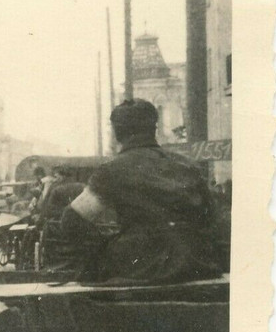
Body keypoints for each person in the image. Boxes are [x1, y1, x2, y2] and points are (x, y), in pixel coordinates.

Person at [62, 99, 223, 283]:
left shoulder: (112, 170)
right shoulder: (186, 165)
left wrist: (106, 245)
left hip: (139, 267)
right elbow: (210, 217)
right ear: (154, 128)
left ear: (117, 133)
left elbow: (71, 220)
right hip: (198, 264)